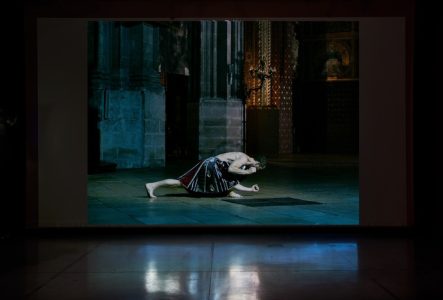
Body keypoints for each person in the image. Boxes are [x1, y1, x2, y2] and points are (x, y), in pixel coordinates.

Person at [145, 152, 265, 198]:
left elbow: (231, 181)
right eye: (257, 167)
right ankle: (152, 185)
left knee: (183, 183)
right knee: (183, 183)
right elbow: (231, 169)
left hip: (212, 167)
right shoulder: (244, 159)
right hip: (210, 166)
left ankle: (153, 185)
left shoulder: (245, 162)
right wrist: (248, 172)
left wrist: (250, 189)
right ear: (256, 161)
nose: (255, 169)